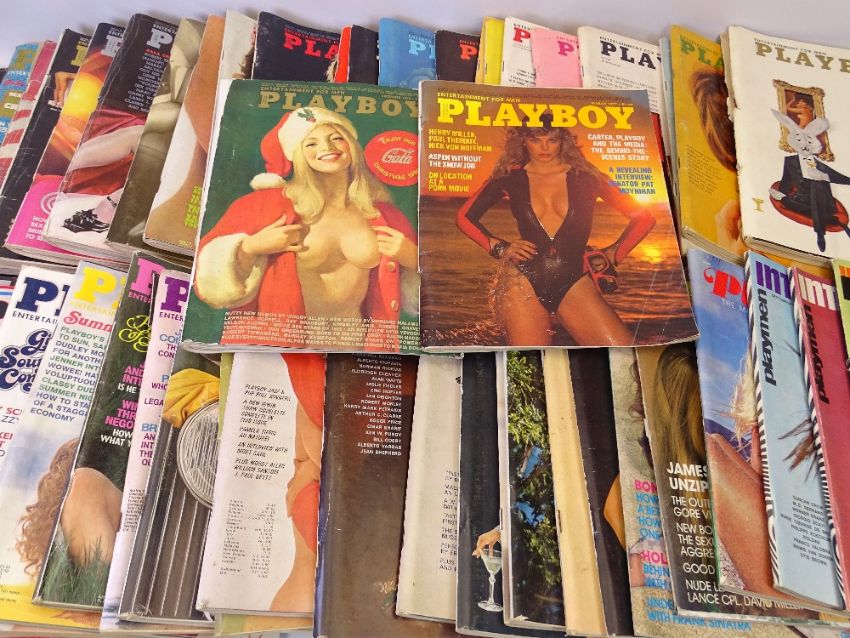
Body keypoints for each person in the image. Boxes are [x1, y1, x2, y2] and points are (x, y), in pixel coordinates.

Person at [194, 107, 418, 351]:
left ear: (351, 145)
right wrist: (250, 247)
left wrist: (414, 260)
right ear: (298, 154)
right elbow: (207, 279)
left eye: (336, 138)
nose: (327, 147)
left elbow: (426, 302)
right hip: (279, 349)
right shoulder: (263, 205)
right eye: (311, 143)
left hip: (355, 347)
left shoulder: (385, 216)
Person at [455, 114, 655, 346]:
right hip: (522, 281)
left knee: (624, 353)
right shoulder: (508, 178)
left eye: (552, 140)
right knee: (530, 362)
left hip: (574, 281)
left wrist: (613, 254)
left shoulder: (590, 178)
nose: (544, 148)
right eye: (535, 140)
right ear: (523, 141)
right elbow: (464, 217)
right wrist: (500, 247)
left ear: (563, 141)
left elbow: (644, 217)